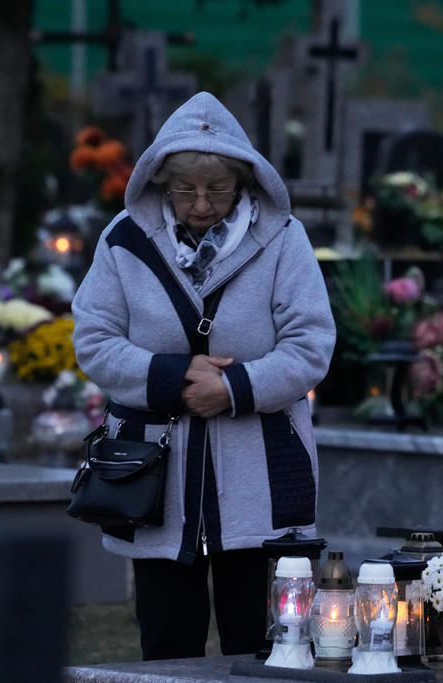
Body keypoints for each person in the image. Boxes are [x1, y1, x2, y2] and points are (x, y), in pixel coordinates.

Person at [72, 91, 335, 660]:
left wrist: (233, 389)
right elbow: (94, 341)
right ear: (161, 182)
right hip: (152, 481)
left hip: (262, 477)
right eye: (185, 189)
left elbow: (311, 345)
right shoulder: (124, 239)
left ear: (244, 180)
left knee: (268, 650)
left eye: (218, 189)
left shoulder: (283, 237)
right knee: (167, 648)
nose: (201, 204)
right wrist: (175, 378)